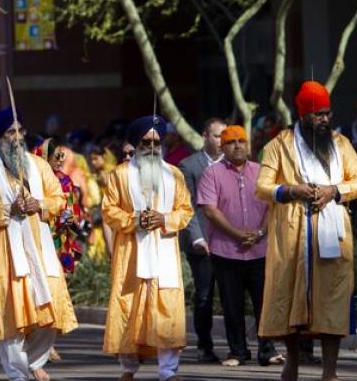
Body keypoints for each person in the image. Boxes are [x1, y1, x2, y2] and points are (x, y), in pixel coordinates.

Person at [256, 81, 357, 381]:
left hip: (332, 231)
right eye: (317, 114)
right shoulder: (279, 145)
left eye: (327, 114)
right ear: (303, 114)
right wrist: (292, 189)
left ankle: (329, 371)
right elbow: (262, 187)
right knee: (289, 298)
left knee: (332, 300)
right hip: (292, 233)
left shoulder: (341, 144)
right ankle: (292, 361)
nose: (324, 120)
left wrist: (334, 190)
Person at [0, 109, 77, 381]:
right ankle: (17, 375)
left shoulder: (38, 166)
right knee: (12, 320)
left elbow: (59, 200)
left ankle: (34, 361)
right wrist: (9, 208)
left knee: (49, 315)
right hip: (6, 256)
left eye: (20, 131)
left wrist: (37, 204)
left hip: (41, 253)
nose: (17, 138)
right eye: (10, 133)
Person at [101, 115, 194, 381]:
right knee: (130, 309)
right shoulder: (119, 174)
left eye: (156, 142)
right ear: (136, 144)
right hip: (132, 253)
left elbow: (185, 210)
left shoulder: (174, 174)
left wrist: (165, 219)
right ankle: (128, 368)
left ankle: (168, 371)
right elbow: (109, 210)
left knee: (167, 310)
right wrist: (135, 220)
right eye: (146, 142)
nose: (152, 147)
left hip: (164, 253)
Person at [197, 125, 281, 367]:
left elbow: (273, 205)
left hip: (260, 249)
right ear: (222, 147)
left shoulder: (261, 171)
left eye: (241, 141)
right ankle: (238, 352)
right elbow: (210, 210)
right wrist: (237, 234)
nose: (237, 146)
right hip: (226, 251)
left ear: (248, 145)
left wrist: (261, 232)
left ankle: (267, 350)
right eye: (231, 142)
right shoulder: (212, 173)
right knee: (232, 306)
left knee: (264, 303)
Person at [177, 117, 226, 363]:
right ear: (205, 136)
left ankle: (238, 347)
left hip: (231, 241)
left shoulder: (233, 164)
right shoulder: (189, 166)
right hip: (202, 242)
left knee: (231, 296)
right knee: (205, 294)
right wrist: (196, 238)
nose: (222, 141)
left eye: (224, 136)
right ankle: (204, 346)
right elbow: (188, 206)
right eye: (218, 136)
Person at [35, 138, 85, 275]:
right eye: (57, 156)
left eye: (62, 156)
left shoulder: (65, 181)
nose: (61, 160)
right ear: (45, 156)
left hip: (59, 237)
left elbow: (72, 208)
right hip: (38, 234)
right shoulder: (33, 180)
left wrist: (69, 218)